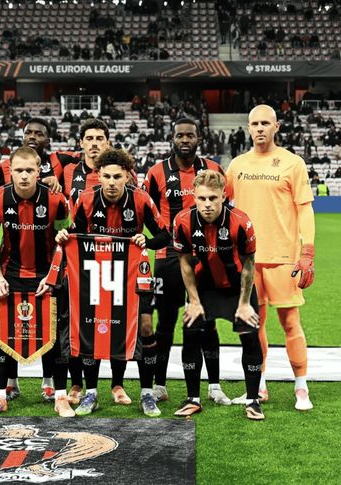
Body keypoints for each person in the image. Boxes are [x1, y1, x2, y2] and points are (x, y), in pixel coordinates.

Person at [56, 148, 170, 417]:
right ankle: (91, 393)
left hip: (132, 277)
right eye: (106, 176)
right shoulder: (86, 199)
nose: (111, 182)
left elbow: (165, 236)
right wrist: (64, 235)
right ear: (98, 176)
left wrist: (146, 241)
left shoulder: (141, 200)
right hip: (96, 275)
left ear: (127, 176)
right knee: (91, 328)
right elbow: (74, 234)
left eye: (117, 176)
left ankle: (146, 393)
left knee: (144, 328)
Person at [225, 104, 316, 411]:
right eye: (255, 124)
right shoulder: (237, 165)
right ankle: (259, 387)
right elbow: (218, 199)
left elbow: (305, 208)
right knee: (255, 325)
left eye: (266, 123)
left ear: (276, 127)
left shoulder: (292, 163)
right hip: (248, 260)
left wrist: (307, 251)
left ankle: (301, 387)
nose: (260, 128)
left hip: (283, 258)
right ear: (248, 128)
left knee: (290, 322)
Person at [142, 119, 230, 406]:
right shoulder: (157, 172)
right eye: (179, 135)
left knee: (207, 322)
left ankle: (214, 386)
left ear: (198, 139)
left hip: (206, 257)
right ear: (172, 138)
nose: (184, 140)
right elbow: (146, 210)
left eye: (190, 135)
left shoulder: (213, 169)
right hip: (168, 257)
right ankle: (159, 385)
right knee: (165, 324)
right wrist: (157, 239)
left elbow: (226, 208)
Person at [0, 147, 71, 417]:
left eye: (29, 170)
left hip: (48, 278)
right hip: (10, 277)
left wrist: (53, 277)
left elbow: (64, 241)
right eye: (18, 170)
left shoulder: (56, 201)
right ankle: (0, 397)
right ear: (10, 171)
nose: (24, 176)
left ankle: (61, 396)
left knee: (54, 338)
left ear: (38, 170)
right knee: (4, 337)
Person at [173, 170, 265, 420]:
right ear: (194, 197)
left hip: (238, 289)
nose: (207, 204)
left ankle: (253, 400)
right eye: (202, 198)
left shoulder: (241, 222)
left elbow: (249, 265)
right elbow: (185, 263)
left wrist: (244, 304)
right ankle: (193, 398)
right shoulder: (183, 221)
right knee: (191, 333)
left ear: (224, 196)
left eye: (213, 198)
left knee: (250, 336)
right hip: (203, 288)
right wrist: (193, 301)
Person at [0, 117, 63, 193]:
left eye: (39, 134)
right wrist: (42, 181)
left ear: (47, 142)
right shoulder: (5, 165)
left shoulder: (60, 160)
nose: (32, 137)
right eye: (27, 133)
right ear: (23, 138)